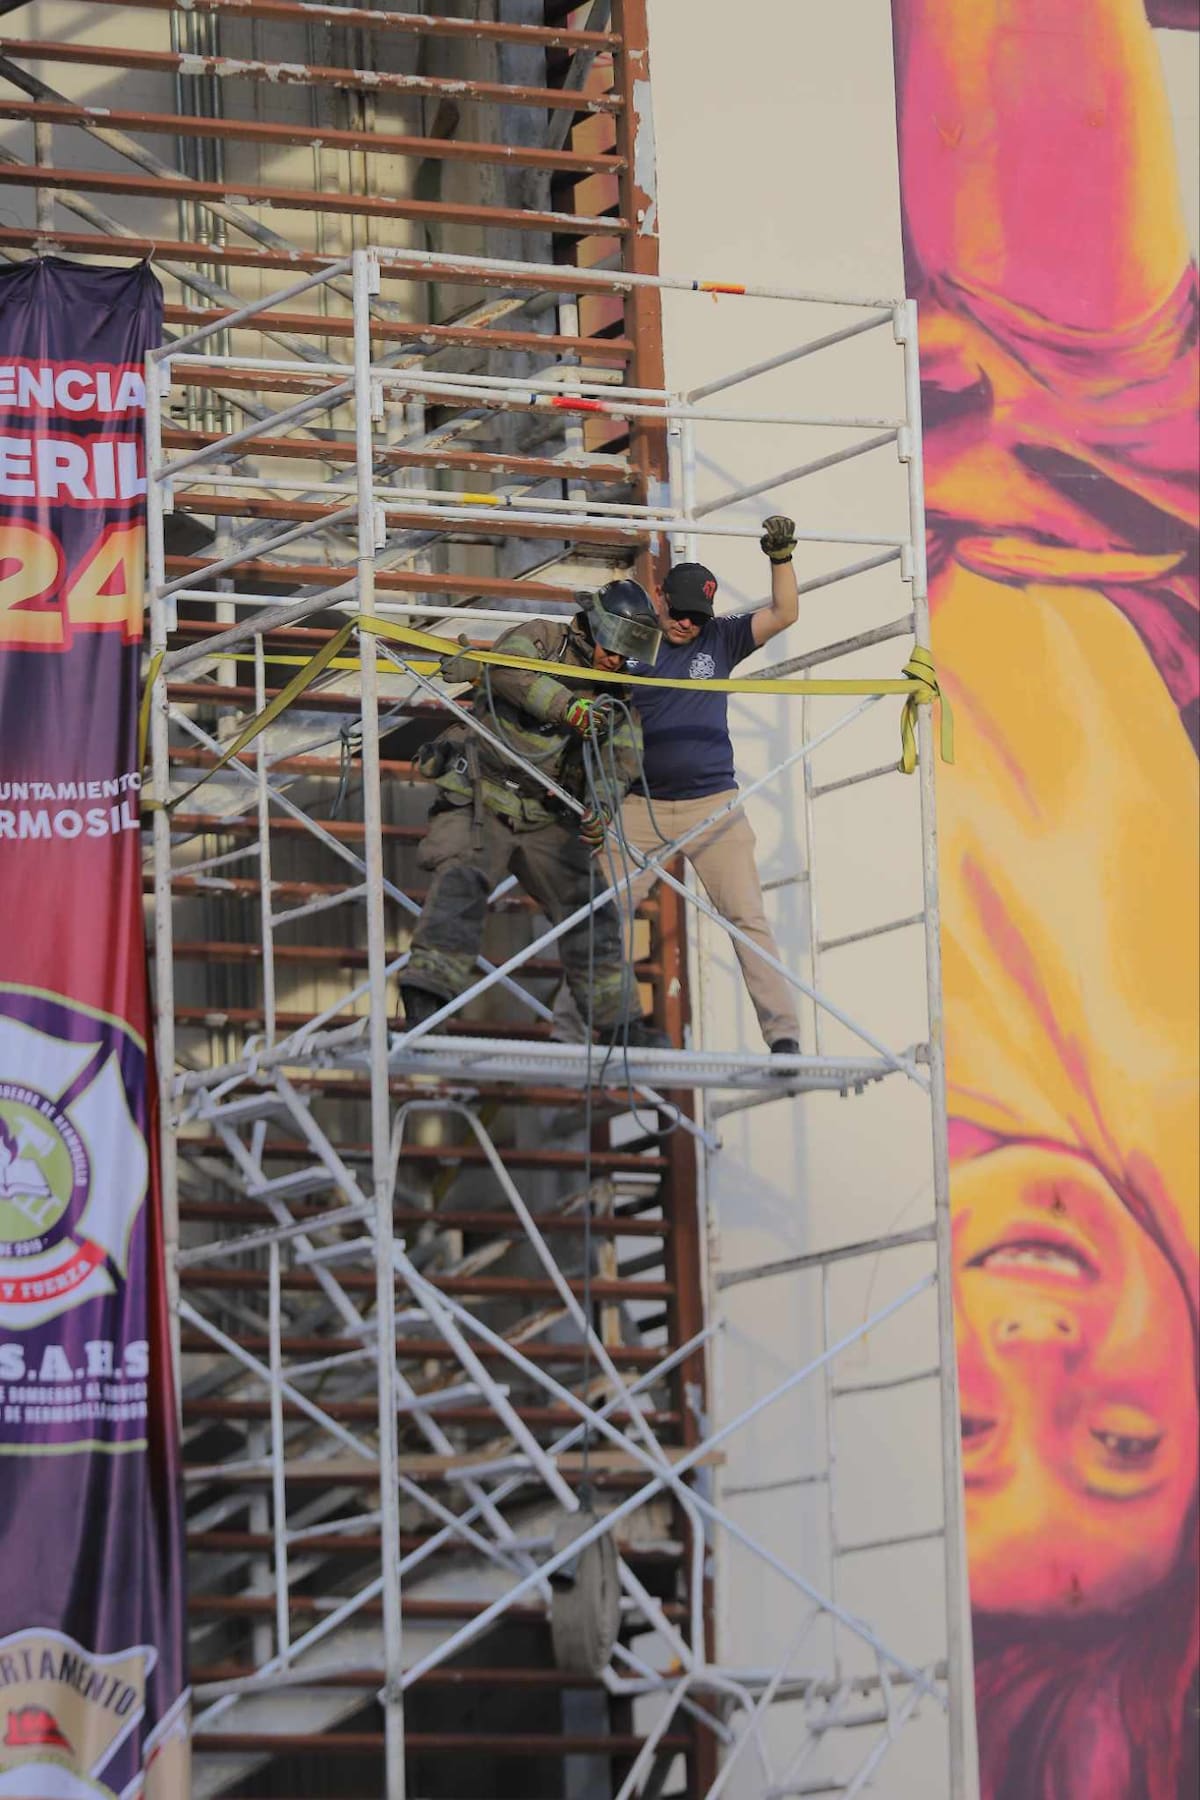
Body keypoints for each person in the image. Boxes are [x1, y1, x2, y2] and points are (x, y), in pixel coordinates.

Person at [398, 579, 670, 1047]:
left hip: (546, 815)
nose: (618, 660)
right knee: (460, 885)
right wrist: (569, 709)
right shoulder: (544, 638)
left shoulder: (617, 694)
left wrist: (600, 807)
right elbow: (506, 672)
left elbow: (617, 761)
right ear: (595, 628)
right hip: (480, 797)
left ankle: (619, 1027)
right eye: (615, 647)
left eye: (628, 652)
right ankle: (426, 1007)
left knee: (591, 910)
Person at [609, 516, 804, 1057]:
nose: (687, 626)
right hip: (638, 806)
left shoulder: (721, 637)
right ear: (658, 598)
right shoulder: (628, 638)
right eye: (680, 613)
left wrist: (780, 558)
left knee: (747, 918)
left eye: (697, 618)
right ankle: (585, 1026)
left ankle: (783, 1035)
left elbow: (785, 612)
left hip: (713, 807)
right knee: (605, 914)